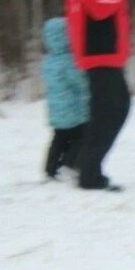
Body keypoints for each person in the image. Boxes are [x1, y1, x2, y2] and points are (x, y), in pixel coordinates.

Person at [64, 0, 135, 190]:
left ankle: (80, 163)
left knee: (111, 109)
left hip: (104, 52)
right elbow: (99, 8)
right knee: (113, 110)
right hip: (99, 52)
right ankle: (88, 172)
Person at [41, 17, 89, 180]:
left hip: (56, 111)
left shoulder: (48, 61)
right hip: (74, 110)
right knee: (80, 138)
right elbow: (79, 81)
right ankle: (69, 164)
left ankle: (51, 168)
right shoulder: (69, 60)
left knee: (58, 139)